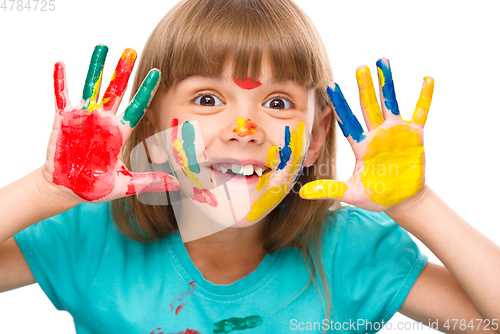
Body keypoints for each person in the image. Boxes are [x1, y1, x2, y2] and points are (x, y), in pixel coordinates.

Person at [1, 0, 499, 333]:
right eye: (208, 97)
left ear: (318, 136)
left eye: (278, 103)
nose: (245, 127)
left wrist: (417, 203)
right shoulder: (91, 238)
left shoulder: (351, 252)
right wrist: (48, 190)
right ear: (148, 123)